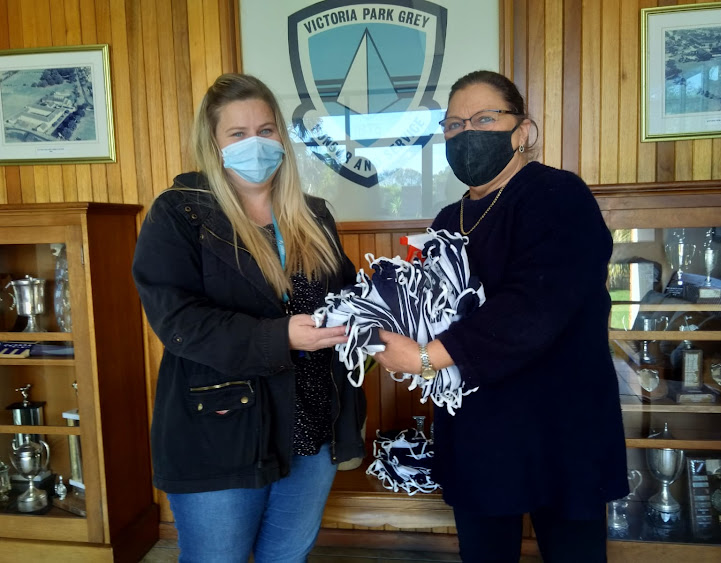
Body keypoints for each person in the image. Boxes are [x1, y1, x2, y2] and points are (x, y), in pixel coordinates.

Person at [374, 70, 628, 562]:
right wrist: (381, 326)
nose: (467, 133)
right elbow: (426, 304)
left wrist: (427, 357)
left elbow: (534, 306)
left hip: (560, 429)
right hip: (480, 433)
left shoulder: (559, 196)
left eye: (484, 118)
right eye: (453, 124)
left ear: (523, 131)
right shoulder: (449, 219)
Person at [132, 73, 366, 563]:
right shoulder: (179, 213)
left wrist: (393, 308)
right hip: (222, 432)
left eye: (265, 130)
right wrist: (280, 336)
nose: (254, 144)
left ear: (281, 135)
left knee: (287, 557)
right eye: (237, 134)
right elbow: (179, 320)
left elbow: (348, 300)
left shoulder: (313, 215)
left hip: (310, 428)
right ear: (213, 144)